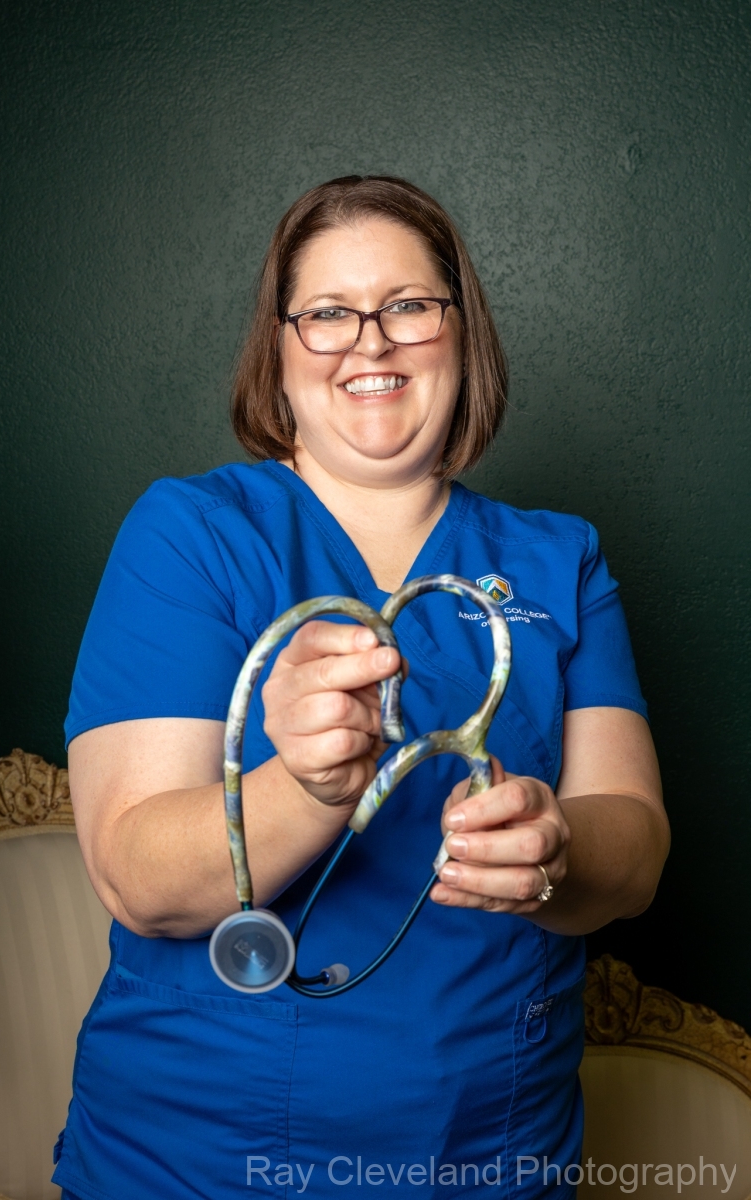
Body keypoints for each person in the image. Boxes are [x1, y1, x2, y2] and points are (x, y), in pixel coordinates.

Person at [53, 175, 669, 1200]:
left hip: (493, 1155)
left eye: (408, 306)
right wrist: (309, 789)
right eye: (328, 313)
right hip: (202, 1163)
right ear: (279, 348)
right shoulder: (191, 536)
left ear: (461, 333)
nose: (369, 343)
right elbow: (137, 879)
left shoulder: (560, 560)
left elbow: (635, 851)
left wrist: (555, 847)